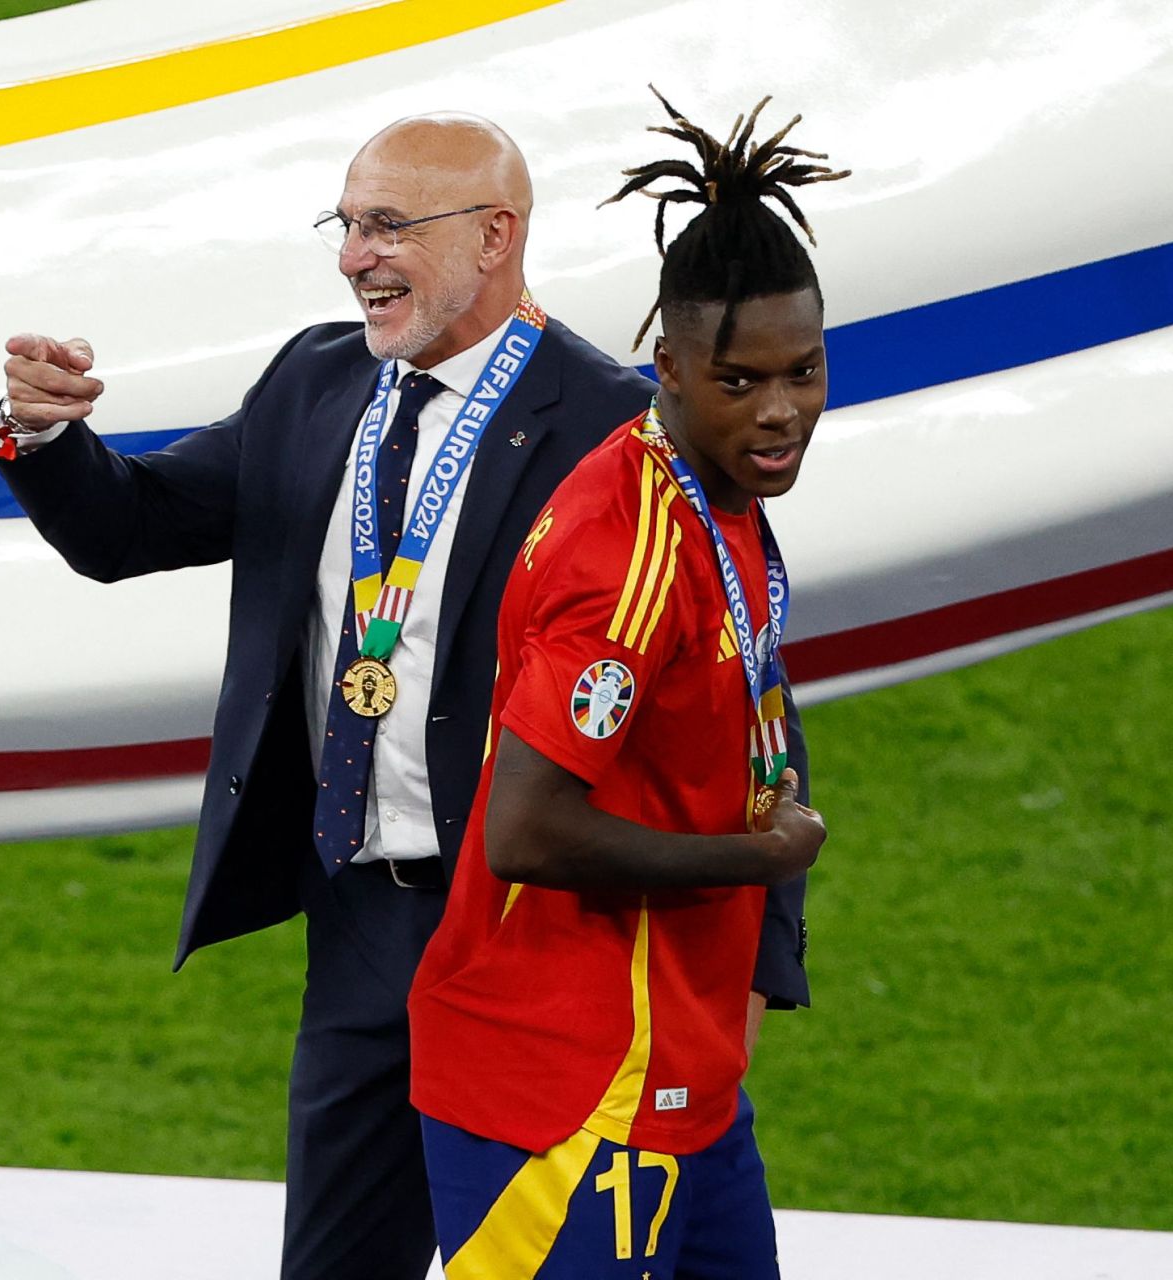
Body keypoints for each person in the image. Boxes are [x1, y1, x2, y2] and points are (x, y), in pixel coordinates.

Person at [0, 113, 812, 1279]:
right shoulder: (317, 381)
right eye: (346, 223)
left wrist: (763, 961)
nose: (351, 255)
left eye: (385, 226)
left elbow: (744, 675)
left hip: (541, 937)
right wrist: (47, 434)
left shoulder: (615, 424)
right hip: (361, 924)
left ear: (494, 236)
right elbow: (133, 526)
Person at [407, 89, 847, 1277]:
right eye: (740, 380)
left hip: (683, 1079)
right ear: (669, 366)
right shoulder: (626, 552)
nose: (780, 412)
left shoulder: (721, 496)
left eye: (802, 370)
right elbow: (527, 829)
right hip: (564, 1088)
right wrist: (754, 861)